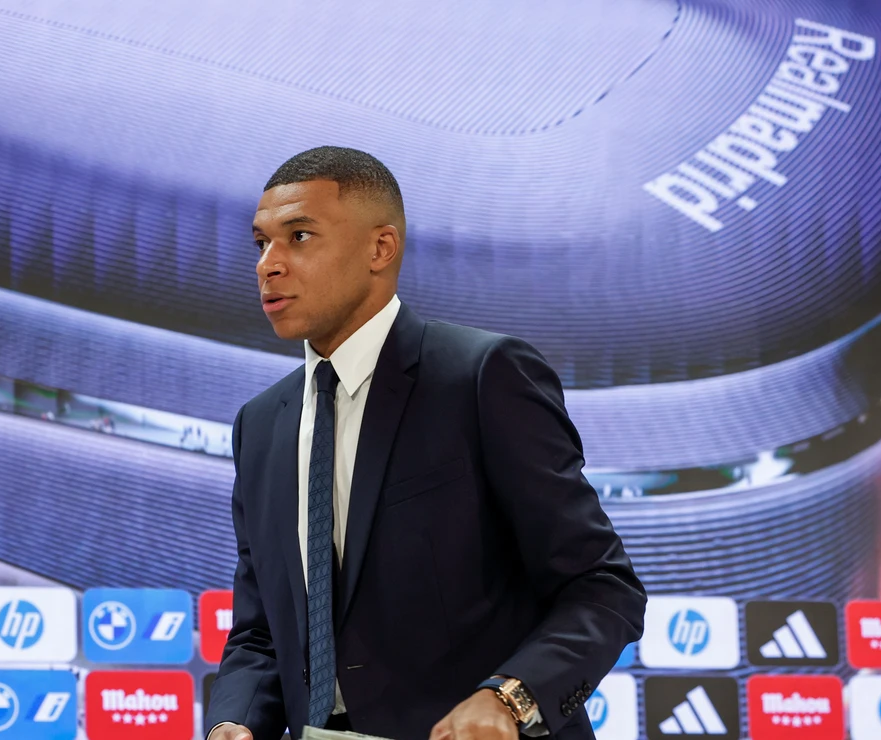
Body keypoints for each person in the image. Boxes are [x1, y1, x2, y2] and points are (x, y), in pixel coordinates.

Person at [205, 147, 646, 740]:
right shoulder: (260, 424)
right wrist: (233, 721)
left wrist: (510, 700)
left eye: (299, 236)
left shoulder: (483, 376)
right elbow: (261, 632)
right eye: (261, 243)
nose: (269, 264)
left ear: (380, 249)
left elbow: (602, 588)